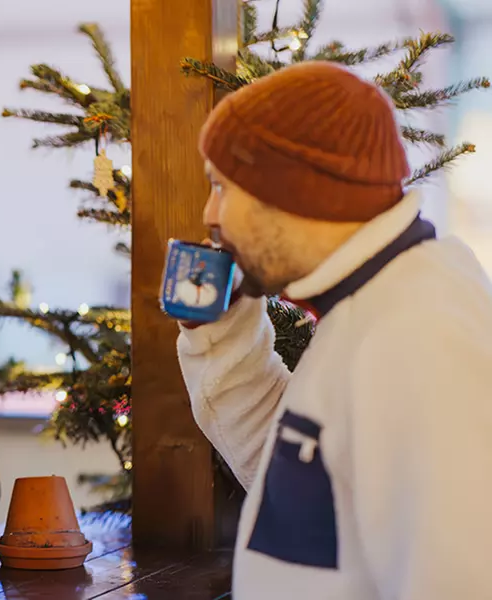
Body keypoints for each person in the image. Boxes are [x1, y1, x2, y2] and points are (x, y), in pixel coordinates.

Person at [177, 61, 492, 599]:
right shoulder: (371, 299)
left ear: (292, 191)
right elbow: (304, 483)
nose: (210, 214)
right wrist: (222, 330)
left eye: (221, 187)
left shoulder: (420, 332)